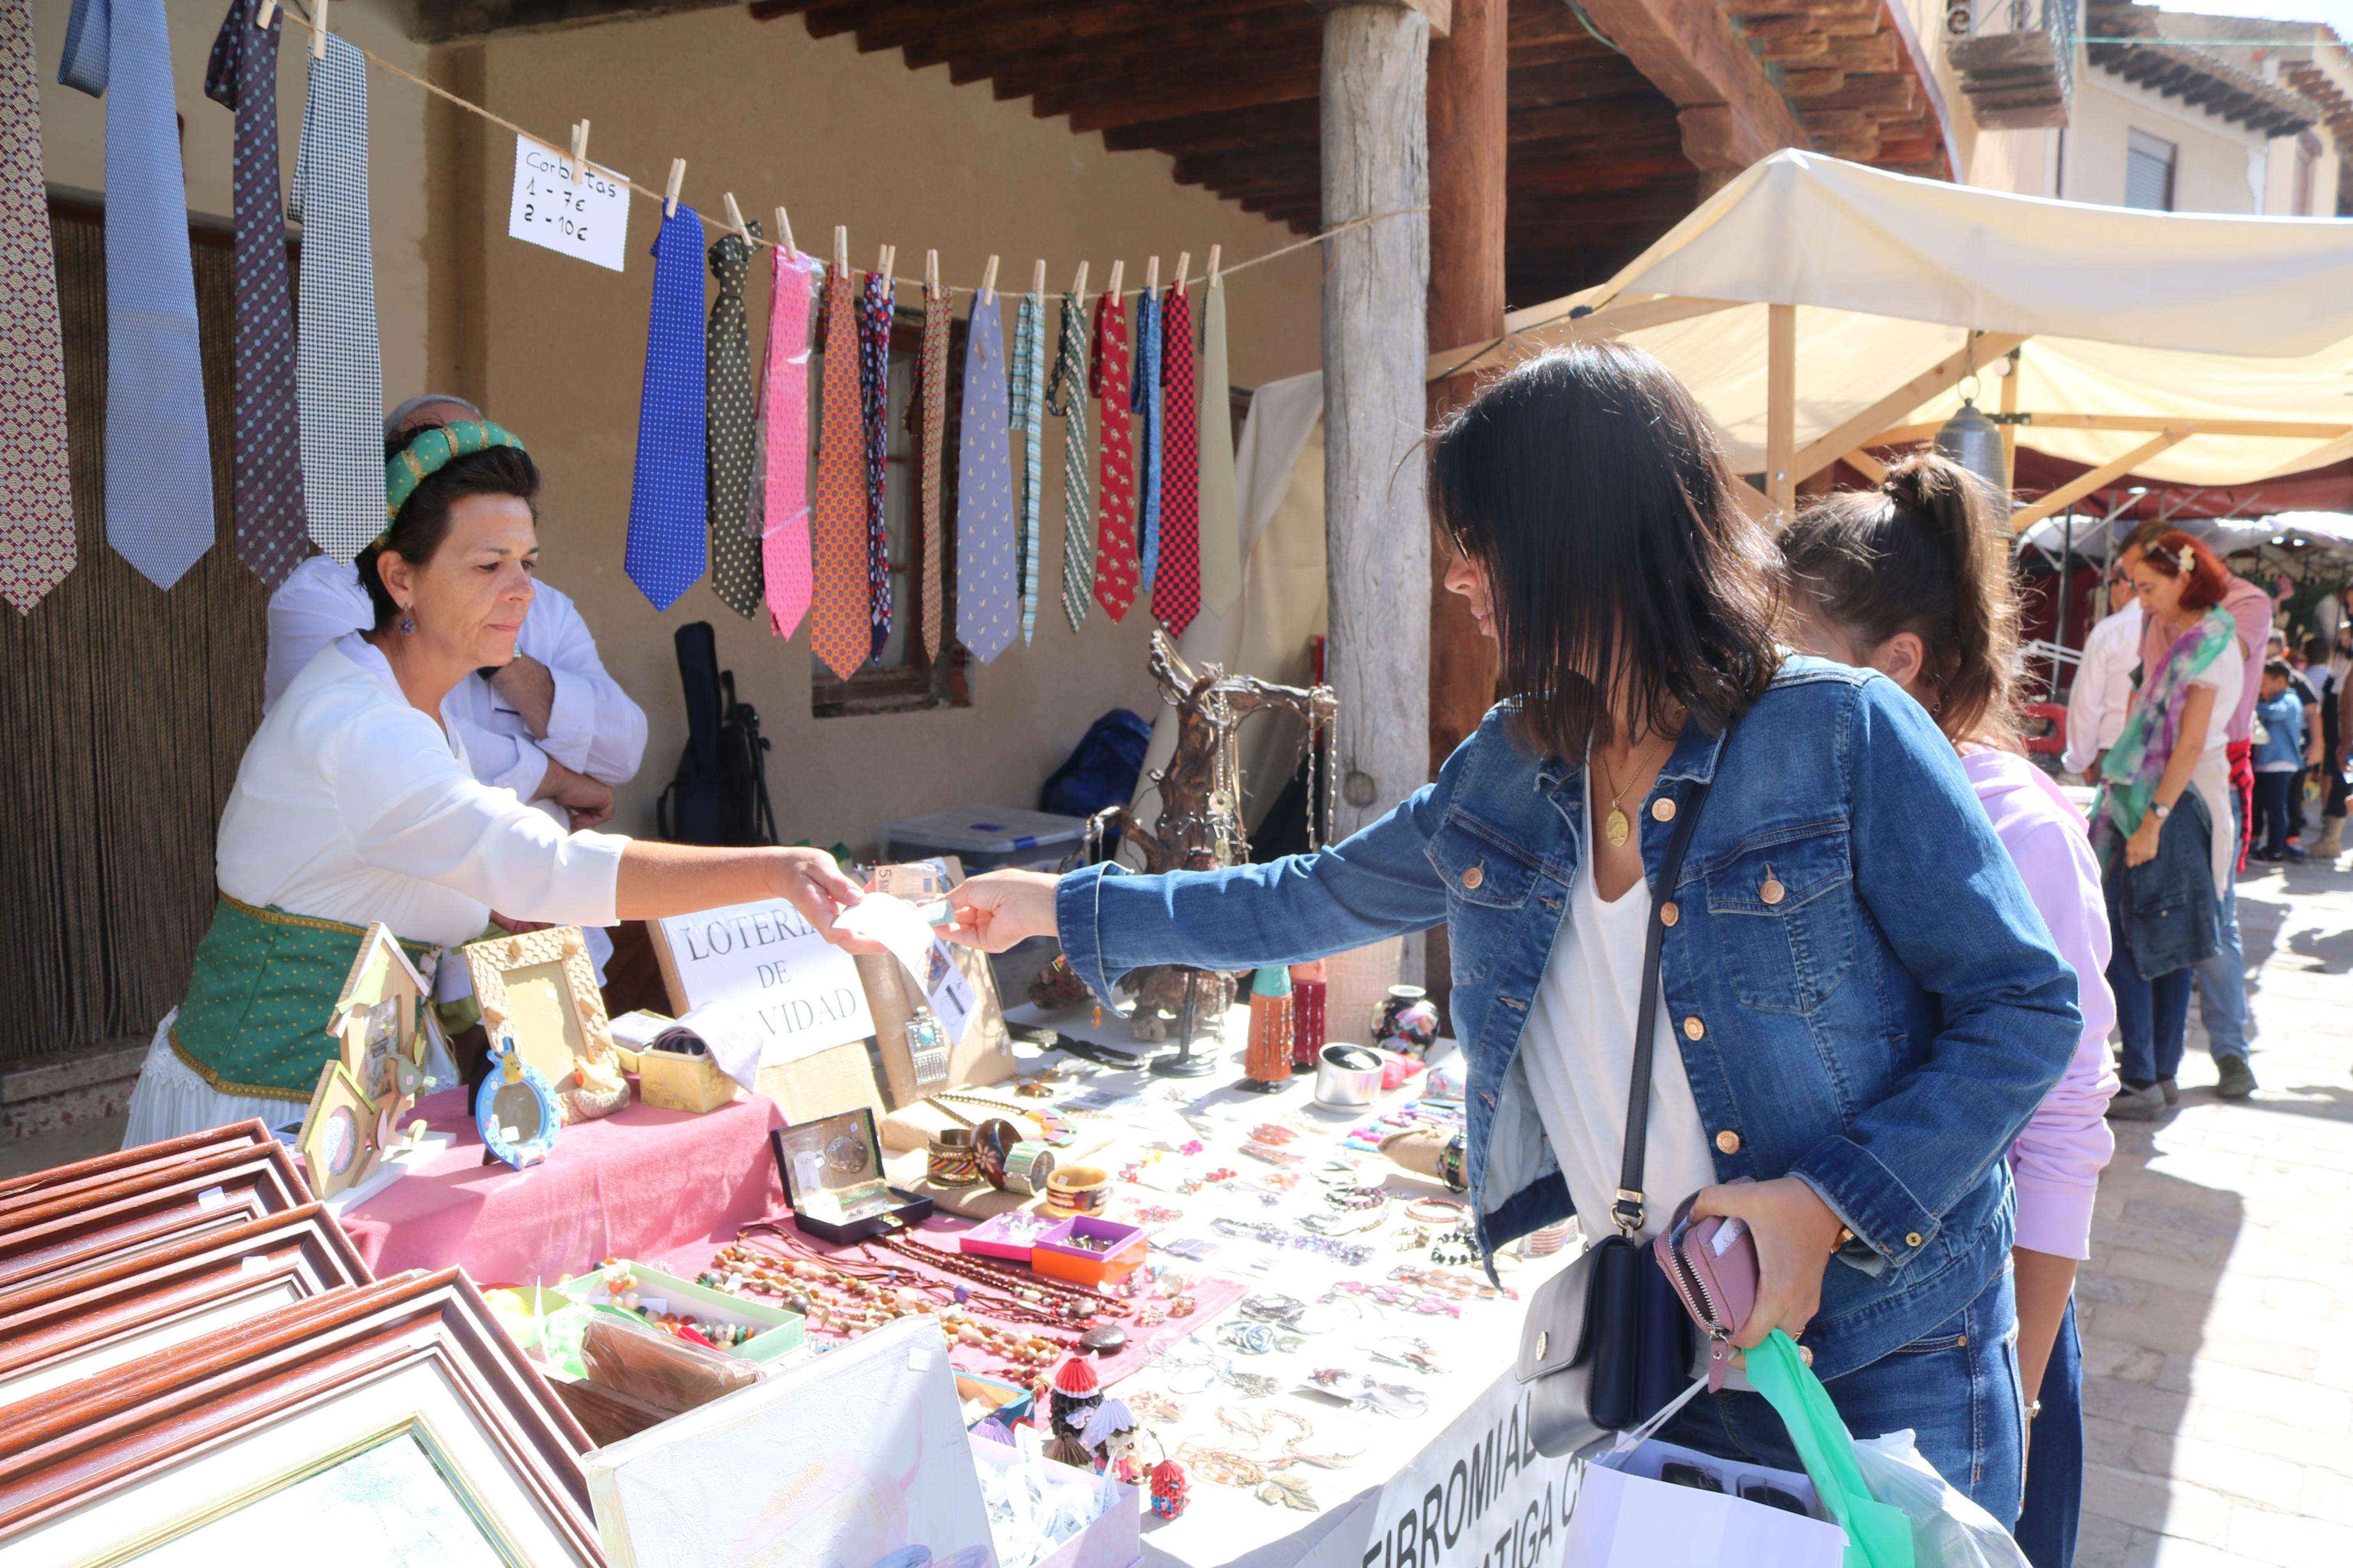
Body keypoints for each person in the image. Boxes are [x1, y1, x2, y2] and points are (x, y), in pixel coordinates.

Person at [946, 345, 2079, 1518]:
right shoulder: (1511, 763)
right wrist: (1062, 909)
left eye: (1479, 538)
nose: (1455, 576)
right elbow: (1309, 896)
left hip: (1881, 1362)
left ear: (1575, 539)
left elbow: (2022, 1008)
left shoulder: (1839, 735)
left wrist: (1820, 1206)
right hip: (1657, 1365)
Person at [122, 422, 869, 1146]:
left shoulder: (398, 696)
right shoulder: (358, 726)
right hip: (265, 1111)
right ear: (399, 578)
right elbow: (539, 867)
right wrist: (772, 869)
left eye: (528, 563)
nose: (521, 592)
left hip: (355, 1102)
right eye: (489, 566)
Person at [1779, 455, 2117, 1568]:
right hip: (1836, 1324)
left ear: (1899, 663)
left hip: (1981, 1334)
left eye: (1790, 657)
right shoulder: (1798, 802)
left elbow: (2062, 1124)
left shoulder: (2016, 829)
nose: (1759, 687)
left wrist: (2007, 1396)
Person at [265, 394, 648, 978]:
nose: (456, 470)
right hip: (379, 954)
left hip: (542, 937)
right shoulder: (324, 599)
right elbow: (399, 753)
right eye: (430, 457)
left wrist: (502, 651)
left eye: (474, 456)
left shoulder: (536, 606)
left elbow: (622, 751)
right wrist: (554, 777)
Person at [2116, 520, 2265, 1100]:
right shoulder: (2174, 626)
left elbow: (2188, 740)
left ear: (2183, 573)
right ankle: (2158, 1067)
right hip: (2161, 783)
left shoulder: (2216, 632)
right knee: (2167, 930)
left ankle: (2179, 1063)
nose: (2138, 598)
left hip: (2185, 789)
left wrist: (2151, 817)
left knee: (2184, 927)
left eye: (2145, 584)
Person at [2063, 570, 2143, 783]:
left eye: (2111, 584)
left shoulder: (2110, 631)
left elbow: (2086, 705)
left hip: (2113, 753)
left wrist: (2080, 761)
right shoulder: (2180, 629)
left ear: (2124, 586)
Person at [2252, 660, 2309, 862]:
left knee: (2276, 808)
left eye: (2264, 683)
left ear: (2280, 681)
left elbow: (2273, 713)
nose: (2261, 688)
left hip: (2281, 764)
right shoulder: (2272, 701)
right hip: (2266, 764)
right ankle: (2260, 844)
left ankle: (2274, 850)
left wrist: (2249, 704)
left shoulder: (2290, 701)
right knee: (2261, 807)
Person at [2274, 632, 2323, 856]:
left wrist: (2317, 744)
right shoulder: (2253, 675)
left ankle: (2292, 839)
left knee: (2294, 796)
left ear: (2285, 653)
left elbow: (2313, 713)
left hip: (2294, 749)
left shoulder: (2297, 679)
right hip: (2263, 750)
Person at [2309, 633, 2347, 859]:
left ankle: (2331, 840)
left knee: (2342, 776)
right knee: (2339, 774)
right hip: (2338, 720)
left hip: (2345, 725)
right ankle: (2330, 839)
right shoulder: (2337, 673)